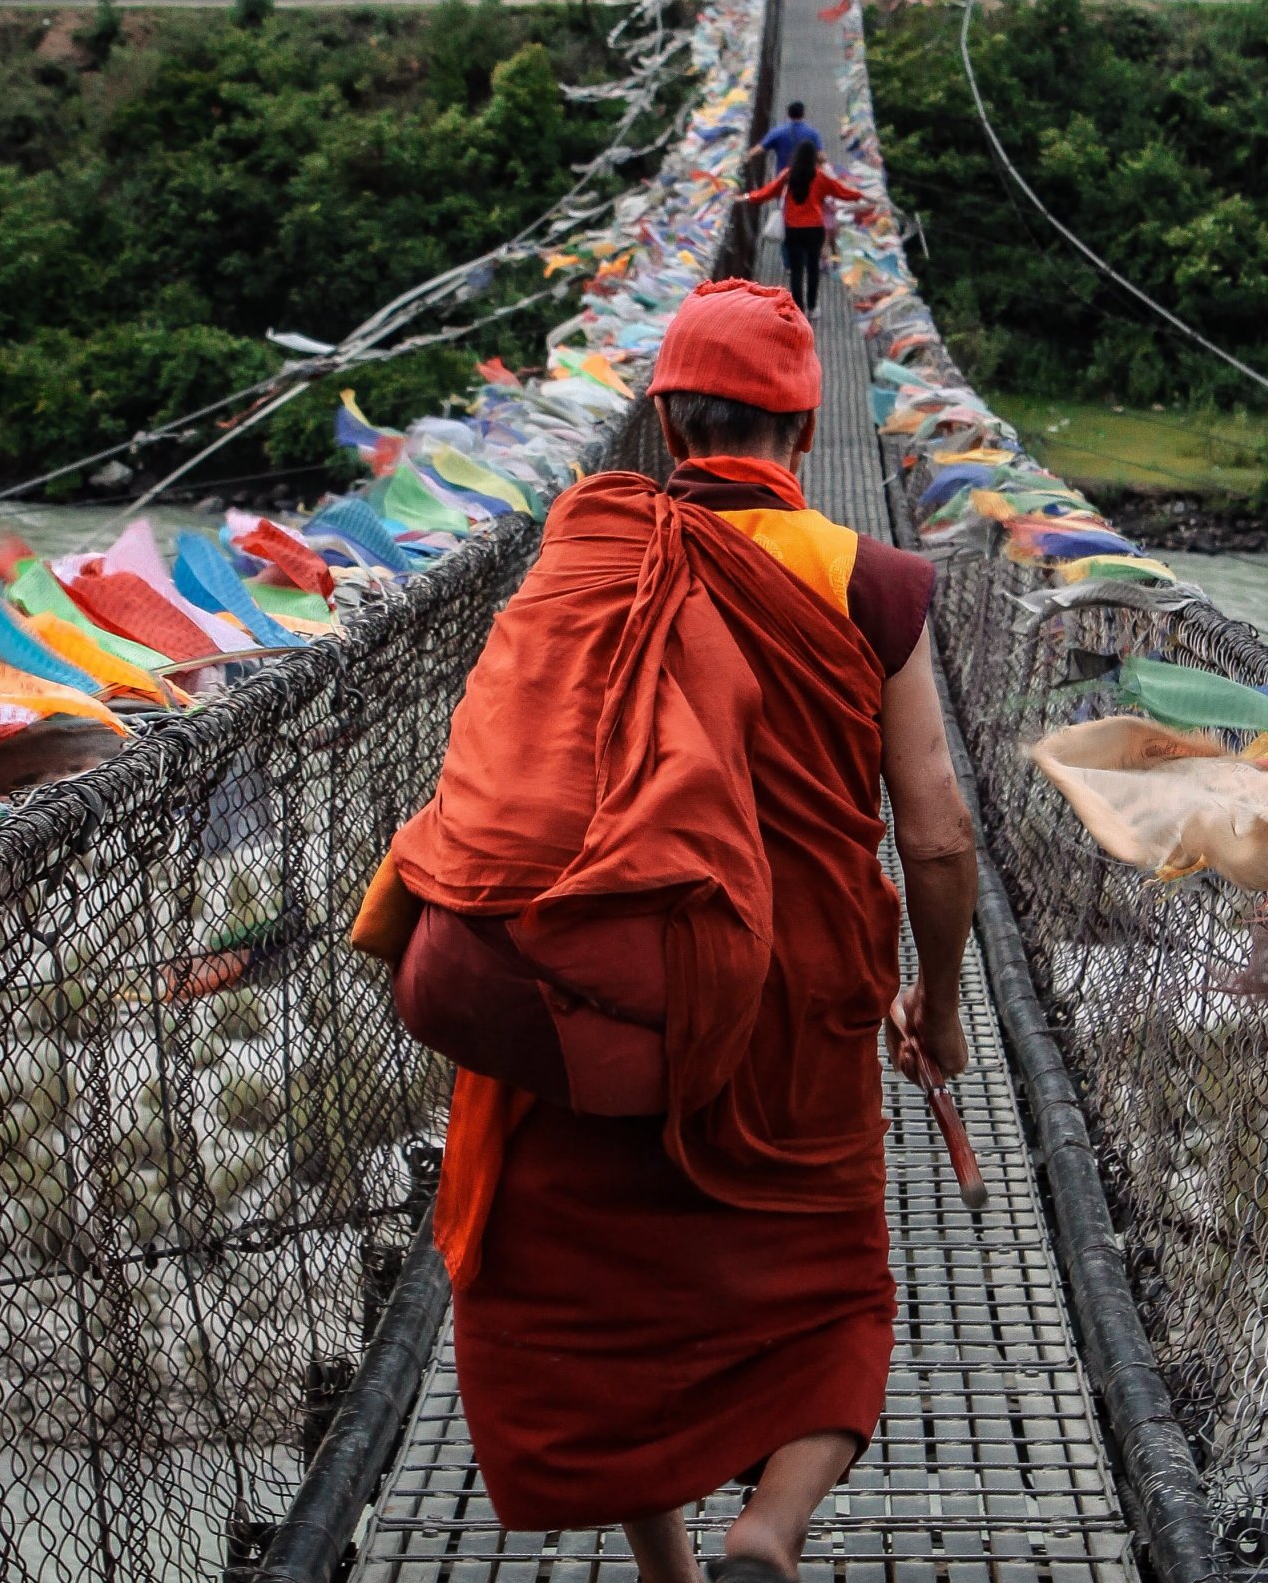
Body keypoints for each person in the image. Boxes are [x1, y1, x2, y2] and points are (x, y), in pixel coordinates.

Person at [361, 279, 977, 1583]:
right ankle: (771, 1527)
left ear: (664, 420)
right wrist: (944, 1000)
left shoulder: (590, 555)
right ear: (804, 434)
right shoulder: (873, 583)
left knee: (610, 1292)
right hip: (798, 1007)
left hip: (606, 980)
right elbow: (935, 835)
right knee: (832, 1293)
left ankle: (673, 1573)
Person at [745, 140, 862, 316]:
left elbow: (767, 192)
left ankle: (798, 309)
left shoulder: (788, 175)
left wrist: (747, 197)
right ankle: (813, 306)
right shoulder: (820, 176)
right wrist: (861, 195)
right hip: (815, 228)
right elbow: (842, 192)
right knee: (813, 267)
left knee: (797, 270)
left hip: (793, 229)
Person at [756, 100, 822, 182]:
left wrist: (747, 156)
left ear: (788, 114)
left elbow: (760, 149)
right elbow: (821, 156)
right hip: (805, 180)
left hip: (784, 178)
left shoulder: (778, 132)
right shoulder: (813, 133)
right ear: (803, 114)